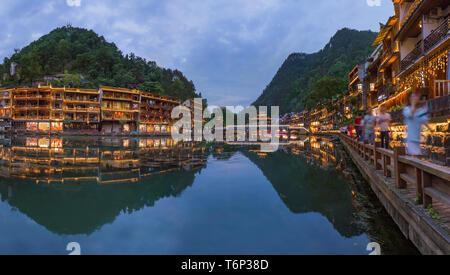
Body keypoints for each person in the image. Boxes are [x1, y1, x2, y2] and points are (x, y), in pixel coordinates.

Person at [403, 90, 432, 156]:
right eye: (412, 97)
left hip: (418, 140)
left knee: (418, 158)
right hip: (410, 140)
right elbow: (410, 114)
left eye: (415, 96)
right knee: (413, 159)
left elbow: (424, 120)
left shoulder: (420, 110)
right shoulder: (407, 109)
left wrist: (430, 128)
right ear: (409, 99)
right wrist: (413, 104)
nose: (414, 98)